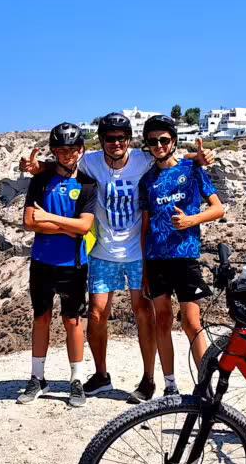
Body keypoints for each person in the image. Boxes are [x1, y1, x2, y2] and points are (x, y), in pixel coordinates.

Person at [20, 114, 213, 403]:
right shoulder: (90, 161)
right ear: (101, 141)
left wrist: (198, 156)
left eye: (121, 137)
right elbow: (66, 160)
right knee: (97, 313)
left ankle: (148, 380)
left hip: (137, 250)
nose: (116, 143)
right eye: (109, 138)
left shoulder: (141, 160)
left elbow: (165, 153)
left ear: (130, 139)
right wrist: (38, 167)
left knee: (143, 313)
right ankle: (100, 375)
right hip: (103, 251)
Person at [139, 114, 225, 396]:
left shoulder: (192, 168)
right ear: (148, 145)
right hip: (156, 258)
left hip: (185, 256)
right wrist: (142, 269)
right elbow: (145, 226)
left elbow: (218, 208)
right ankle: (170, 386)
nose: (159, 145)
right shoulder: (147, 180)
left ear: (173, 141)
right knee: (161, 320)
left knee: (191, 322)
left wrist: (191, 220)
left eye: (164, 139)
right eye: (153, 141)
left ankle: (205, 388)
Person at [18, 123, 98, 407]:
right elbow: (29, 222)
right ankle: (37, 378)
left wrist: (52, 222)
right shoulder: (41, 180)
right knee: (41, 318)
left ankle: (76, 380)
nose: (68, 155)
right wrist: (69, 227)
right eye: (62, 150)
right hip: (42, 262)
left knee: (73, 321)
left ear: (81, 150)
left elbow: (85, 227)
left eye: (73, 149)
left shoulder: (88, 184)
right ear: (54, 151)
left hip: (74, 264)